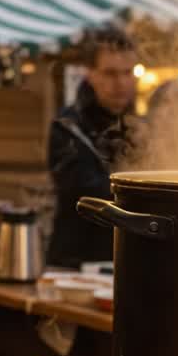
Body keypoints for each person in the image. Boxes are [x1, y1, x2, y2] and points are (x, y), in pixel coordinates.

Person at [45, 30, 139, 269]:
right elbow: (86, 194)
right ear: (90, 75)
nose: (121, 83)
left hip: (129, 258)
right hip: (75, 262)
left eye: (128, 72)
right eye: (110, 73)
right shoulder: (68, 127)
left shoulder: (142, 128)